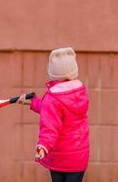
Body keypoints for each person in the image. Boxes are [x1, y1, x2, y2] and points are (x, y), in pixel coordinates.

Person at [18, 47, 89, 182]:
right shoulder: (80, 93)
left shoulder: (53, 98)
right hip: (79, 157)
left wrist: (43, 145)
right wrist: (33, 102)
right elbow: (54, 112)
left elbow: (50, 124)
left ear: (53, 73)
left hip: (60, 158)